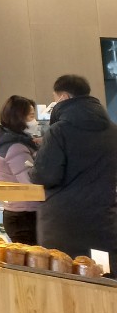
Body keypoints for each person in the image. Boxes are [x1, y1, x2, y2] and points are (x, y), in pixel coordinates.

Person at [31, 74, 117, 262]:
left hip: (64, 225)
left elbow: (46, 175)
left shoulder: (58, 131)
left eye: (55, 98)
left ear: (63, 97)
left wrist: (34, 168)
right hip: (105, 220)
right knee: (102, 273)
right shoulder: (112, 130)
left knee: (65, 274)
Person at [0, 95, 41, 244]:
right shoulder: (16, 148)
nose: (35, 121)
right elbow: (31, 183)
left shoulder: (2, 141)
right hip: (25, 215)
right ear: (19, 118)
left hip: (15, 211)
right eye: (31, 116)